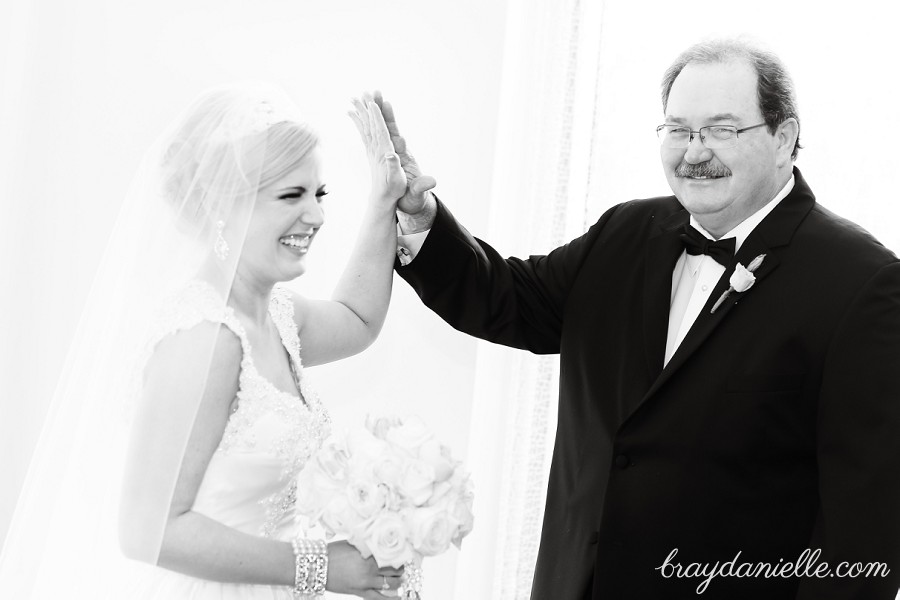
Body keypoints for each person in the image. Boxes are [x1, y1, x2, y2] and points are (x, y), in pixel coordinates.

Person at [373, 40, 900, 598]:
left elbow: (861, 532)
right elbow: (506, 299)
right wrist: (420, 215)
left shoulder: (862, 283)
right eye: (678, 129)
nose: (695, 152)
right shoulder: (625, 232)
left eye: (721, 129)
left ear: (784, 139)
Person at [0, 84, 410, 599]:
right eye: (291, 195)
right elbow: (148, 530)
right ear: (222, 206)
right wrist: (320, 567)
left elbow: (357, 317)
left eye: (318, 194)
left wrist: (385, 198)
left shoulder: (278, 315)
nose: (317, 217)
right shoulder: (204, 338)